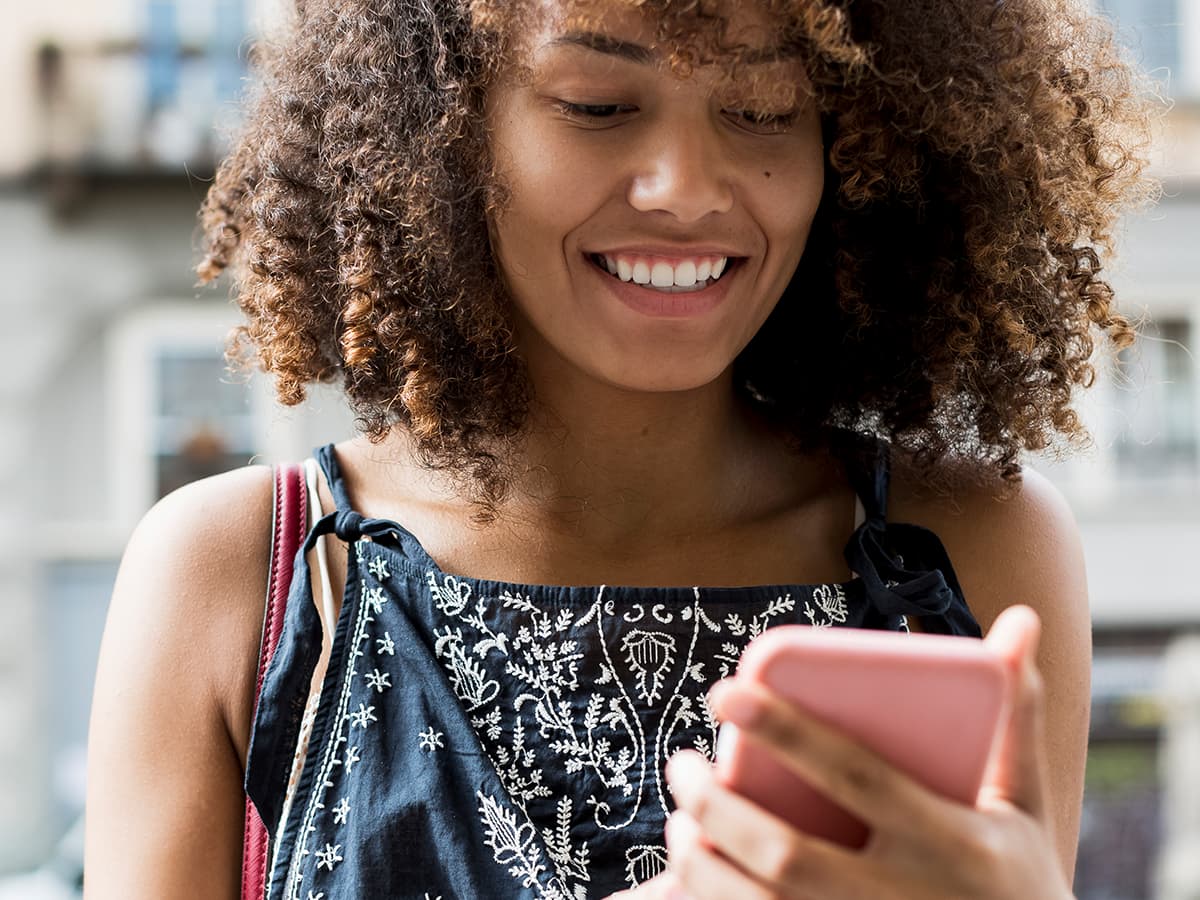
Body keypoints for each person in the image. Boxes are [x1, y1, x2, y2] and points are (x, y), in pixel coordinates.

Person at [84, 0, 1155, 897]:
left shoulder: (969, 555)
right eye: (597, 106)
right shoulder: (244, 577)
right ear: (445, 126)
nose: (685, 187)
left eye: (764, 108)